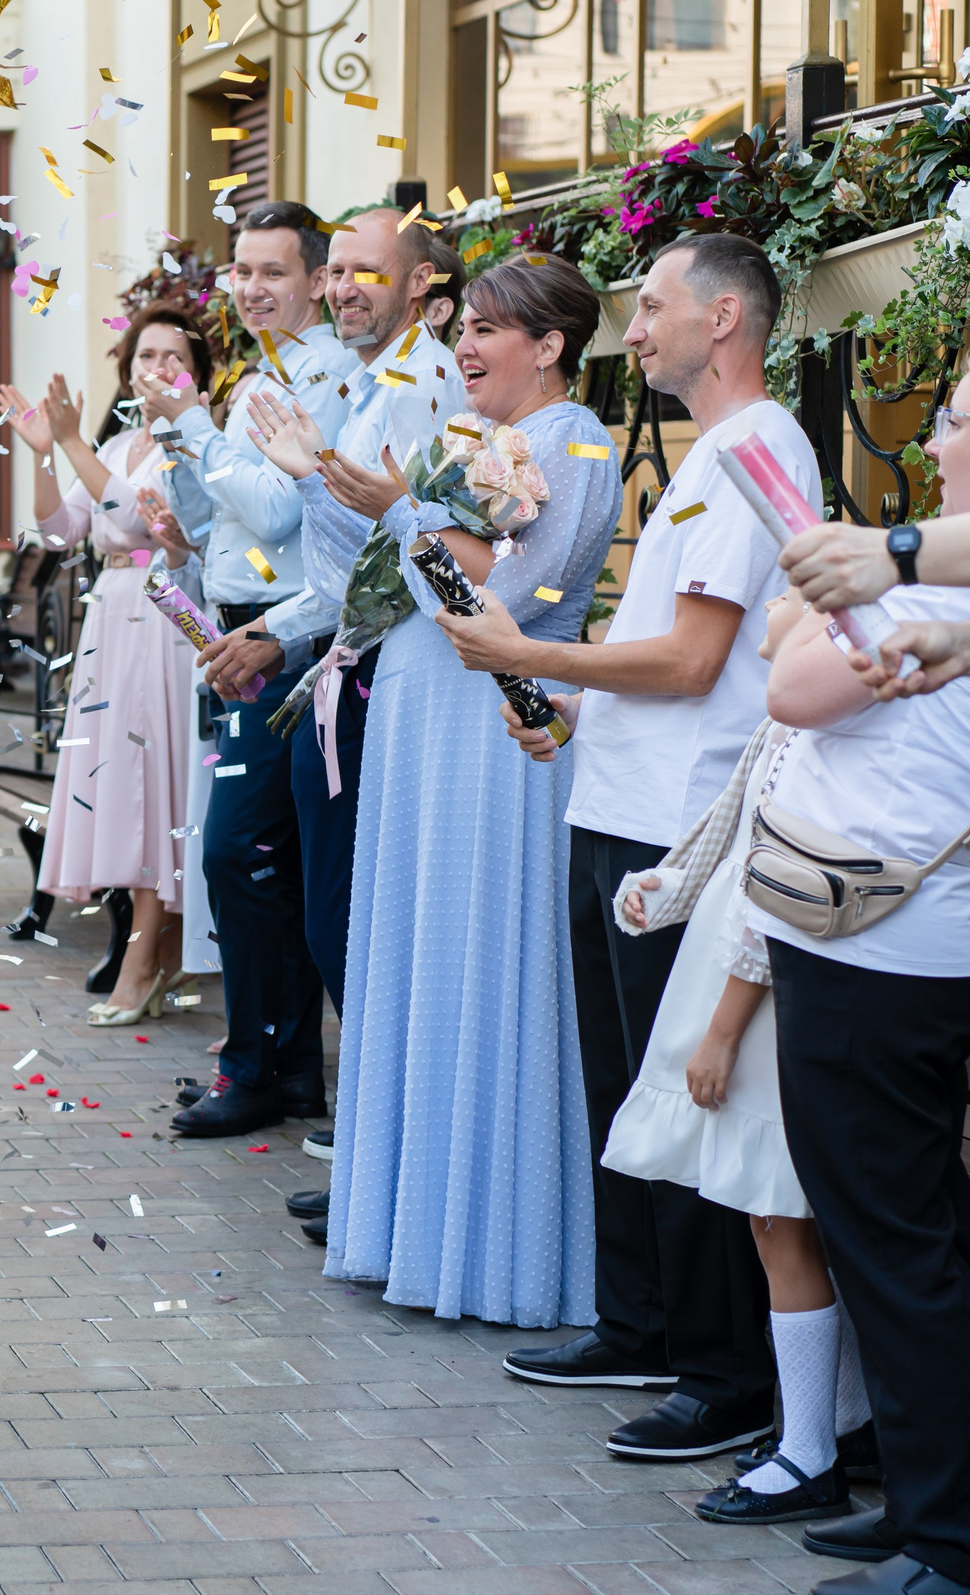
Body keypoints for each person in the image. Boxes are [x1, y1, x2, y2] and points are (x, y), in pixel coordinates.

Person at [441, 233, 797, 1463]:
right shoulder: (712, 452)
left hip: (674, 831)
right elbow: (667, 657)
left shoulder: (759, 453)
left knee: (675, 1095)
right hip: (619, 801)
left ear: (724, 319)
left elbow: (697, 665)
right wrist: (577, 710)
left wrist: (534, 658)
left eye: (650, 308)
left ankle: (719, 1372)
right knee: (621, 1084)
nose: (630, 330)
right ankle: (638, 1319)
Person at [249, 251, 613, 1323]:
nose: (465, 346)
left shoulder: (571, 439)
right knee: (419, 953)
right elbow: (395, 563)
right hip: (423, 716)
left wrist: (396, 504)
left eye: (489, 330)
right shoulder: (473, 439)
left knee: (483, 963)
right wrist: (345, 487)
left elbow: (504, 594)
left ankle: (499, 1247)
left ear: (547, 346)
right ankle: (416, 1220)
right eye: (466, 329)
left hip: (490, 728)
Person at [601, 596, 876, 1533]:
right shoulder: (779, 720)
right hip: (727, 960)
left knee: (779, 1211)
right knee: (778, 1210)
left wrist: (722, 1029)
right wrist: (667, 887)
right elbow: (727, 829)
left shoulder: (822, 730)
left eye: (795, 590)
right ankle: (828, 1422)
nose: (775, 600)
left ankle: (811, 1448)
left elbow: (776, 900)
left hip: (756, 989)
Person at [748, 573, 970, 1595]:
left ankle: (942, 1539)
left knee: (891, 1241)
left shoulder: (922, 591)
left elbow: (785, 682)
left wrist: (835, 591)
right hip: (902, 943)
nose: (931, 436)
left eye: (956, 417)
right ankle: (929, 1500)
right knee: (917, 1229)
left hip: (877, 950)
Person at [153, 200, 361, 1140]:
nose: (251, 288)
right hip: (236, 631)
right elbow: (218, 521)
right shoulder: (256, 376)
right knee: (254, 858)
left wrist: (198, 428)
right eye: (241, 271)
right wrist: (181, 455)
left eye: (272, 272)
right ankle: (280, 1066)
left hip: (294, 646)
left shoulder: (326, 375)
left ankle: (263, 1064)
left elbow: (283, 513)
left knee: (242, 852)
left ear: (317, 279)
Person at [0, 306, 213, 1024]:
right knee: (122, 782)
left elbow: (150, 521)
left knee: (157, 787)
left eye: (170, 357)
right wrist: (41, 452)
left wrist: (69, 444)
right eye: (144, 355)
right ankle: (164, 950)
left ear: (194, 372)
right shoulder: (120, 440)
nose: (154, 368)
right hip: (112, 617)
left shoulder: (190, 439)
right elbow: (61, 531)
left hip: (166, 617)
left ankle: (144, 960)